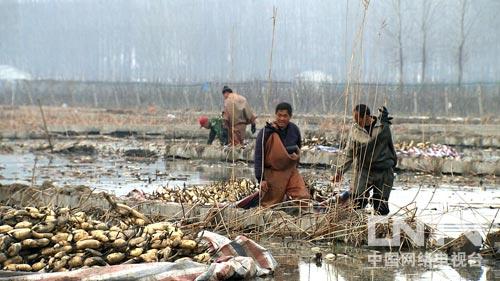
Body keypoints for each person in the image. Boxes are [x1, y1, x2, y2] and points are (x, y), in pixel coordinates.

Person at [332, 104, 397, 215]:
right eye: (355, 119)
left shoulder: (382, 127)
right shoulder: (355, 130)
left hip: (383, 170)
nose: (356, 122)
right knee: (357, 202)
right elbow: (350, 152)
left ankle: (378, 228)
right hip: (364, 169)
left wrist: (384, 123)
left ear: (367, 116)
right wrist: (340, 171)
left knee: (381, 207)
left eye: (358, 118)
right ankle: (357, 227)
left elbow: (389, 146)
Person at [254, 102, 310, 208]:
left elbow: (298, 149)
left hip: (290, 171)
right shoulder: (266, 132)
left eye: (285, 116)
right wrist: (261, 179)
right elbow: (258, 156)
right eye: (279, 115)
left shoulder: (294, 130)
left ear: (290, 117)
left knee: (303, 196)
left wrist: (295, 167)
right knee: (269, 205)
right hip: (272, 173)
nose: (282, 118)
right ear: (276, 115)